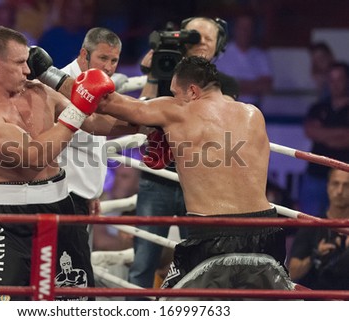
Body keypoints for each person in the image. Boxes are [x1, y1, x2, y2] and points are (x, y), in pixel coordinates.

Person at [29, 52, 288, 291]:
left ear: (193, 91)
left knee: (168, 309)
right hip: (267, 232)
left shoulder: (177, 110)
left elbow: (101, 101)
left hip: (213, 236)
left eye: (176, 93)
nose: (173, 98)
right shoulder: (254, 114)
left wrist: (47, 71)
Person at [0, 26, 133, 301]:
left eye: (27, 62)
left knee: (75, 299)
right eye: (19, 63)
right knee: (2, 305)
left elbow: (95, 122)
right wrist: (79, 108)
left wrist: (148, 126)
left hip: (59, 205)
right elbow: (34, 157)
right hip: (7, 219)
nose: (28, 70)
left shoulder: (40, 91)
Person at [131, 16, 240, 292]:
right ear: (182, 40)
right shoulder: (163, 70)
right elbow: (141, 121)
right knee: (143, 261)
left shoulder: (226, 85)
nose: (202, 43)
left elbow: (220, 129)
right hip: (158, 179)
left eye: (208, 38)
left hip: (201, 184)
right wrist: (154, 74)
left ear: (219, 46)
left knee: (202, 263)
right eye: (195, 36)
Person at [60, 27, 122, 217]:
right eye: (103, 58)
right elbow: (92, 127)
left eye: (114, 60)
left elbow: (92, 143)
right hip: (65, 194)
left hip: (82, 195)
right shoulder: (61, 85)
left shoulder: (100, 85)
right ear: (84, 54)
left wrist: (93, 193)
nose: (109, 67)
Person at [299, 62, 349, 217]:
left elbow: (347, 138)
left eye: (340, 79)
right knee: (308, 224)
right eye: (332, 80)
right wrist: (337, 135)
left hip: (344, 177)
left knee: (340, 228)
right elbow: (310, 131)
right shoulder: (318, 107)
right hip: (315, 173)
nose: (335, 84)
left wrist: (323, 134)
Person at [288, 169, 349, 290]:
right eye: (335, 183)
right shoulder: (312, 226)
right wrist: (315, 256)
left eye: (346, 185)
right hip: (316, 301)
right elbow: (292, 273)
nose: (340, 191)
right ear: (327, 187)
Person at [215, 12, 273, 107]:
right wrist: (254, 85)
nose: (245, 32)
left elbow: (267, 86)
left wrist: (237, 85)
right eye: (242, 28)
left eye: (248, 28)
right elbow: (217, 85)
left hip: (254, 108)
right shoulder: (221, 54)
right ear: (235, 29)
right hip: (228, 108)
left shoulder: (260, 55)